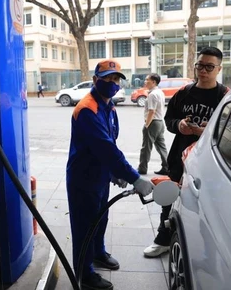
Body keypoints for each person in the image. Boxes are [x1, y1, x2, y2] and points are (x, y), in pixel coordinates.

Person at [66, 59, 153, 290]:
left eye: (116, 79)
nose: (113, 83)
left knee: (100, 217)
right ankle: (85, 274)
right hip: (83, 178)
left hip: (100, 175)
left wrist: (114, 172)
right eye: (108, 78)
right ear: (95, 80)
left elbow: (109, 143)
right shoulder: (87, 109)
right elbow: (106, 148)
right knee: (84, 225)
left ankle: (97, 253)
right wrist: (134, 177)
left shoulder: (109, 107)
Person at [144, 47, 229, 258]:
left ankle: (207, 250)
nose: (204, 70)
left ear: (219, 69)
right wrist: (179, 125)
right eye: (200, 65)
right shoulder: (184, 92)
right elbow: (169, 120)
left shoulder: (225, 96)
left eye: (210, 66)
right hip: (180, 156)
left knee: (206, 205)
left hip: (209, 162)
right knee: (168, 196)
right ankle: (163, 239)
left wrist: (206, 131)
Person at [137, 73, 169, 175]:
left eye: (147, 80)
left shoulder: (152, 94)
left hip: (153, 123)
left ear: (154, 82)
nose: (145, 82)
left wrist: (147, 125)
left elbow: (152, 111)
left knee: (146, 147)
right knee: (161, 147)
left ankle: (142, 168)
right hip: (160, 122)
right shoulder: (160, 92)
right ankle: (167, 167)